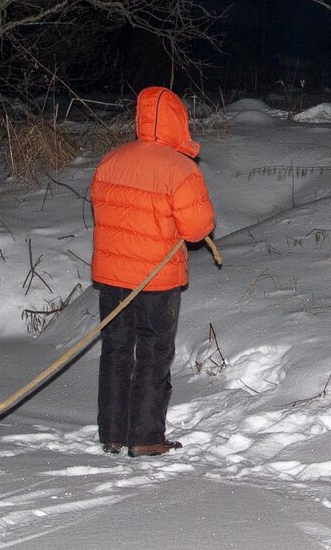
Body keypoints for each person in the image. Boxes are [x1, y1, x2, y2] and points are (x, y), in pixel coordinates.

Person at [90, 86, 216, 457]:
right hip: (155, 281)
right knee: (153, 352)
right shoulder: (180, 169)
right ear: (178, 120)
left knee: (115, 350)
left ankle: (112, 433)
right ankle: (145, 436)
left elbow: (101, 211)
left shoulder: (111, 160)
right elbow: (197, 229)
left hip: (113, 277)